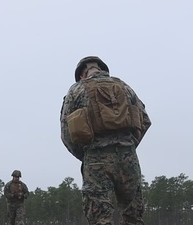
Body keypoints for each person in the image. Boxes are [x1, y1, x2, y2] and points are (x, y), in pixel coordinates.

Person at [60, 56, 151, 225]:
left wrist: (85, 155)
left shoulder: (76, 90)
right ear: (103, 70)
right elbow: (145, 120)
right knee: (133, 217)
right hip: (128, 157)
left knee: (100, 218)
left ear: (82, 75)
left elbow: (66, 132)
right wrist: (129, 146)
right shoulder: (125, 87)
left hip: (95, 159)